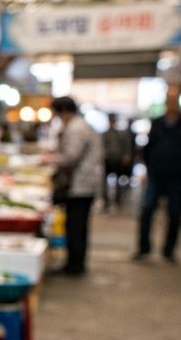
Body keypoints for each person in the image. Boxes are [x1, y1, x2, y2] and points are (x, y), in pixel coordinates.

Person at [44, 96, 104, 275]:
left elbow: (70, 156)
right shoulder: (80, 125)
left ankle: (75, 265)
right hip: (84, 183)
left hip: (80, 185)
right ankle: (75, 262)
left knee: (76, 225)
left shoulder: (76, 128)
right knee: (78, 225)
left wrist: (48, 159)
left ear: (63, 112)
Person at [136, 93, 181, 263]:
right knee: (147, 210)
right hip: (156, 174)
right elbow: (148, 147)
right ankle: (143, 247)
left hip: (177, 176)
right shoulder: (157, 123)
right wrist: (147, 168)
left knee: (175, 213)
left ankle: (169, 250)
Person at [101, 113, 134, 211]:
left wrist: (126, 155)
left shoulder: (120, 134)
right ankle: (106, 202)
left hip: (118, 160)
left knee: (119, 181)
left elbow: (126, 145)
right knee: (104, 183)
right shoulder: (104, 134)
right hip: (107, 160)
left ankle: (117, 200)